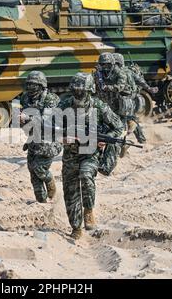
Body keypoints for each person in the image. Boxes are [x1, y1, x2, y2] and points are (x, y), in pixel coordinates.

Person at [59, 72, 124, 239]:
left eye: (82, 91)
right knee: (70, 192)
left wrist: (105, 141)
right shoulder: (63, 105)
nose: (78, 95)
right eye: (75, 91)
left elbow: (118, 127)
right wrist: (63, 138)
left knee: (86, 176)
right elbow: (48, 128)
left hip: (90, 154)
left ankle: (88, 210)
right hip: (70, 156)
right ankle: (76, 227)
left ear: (89, 91)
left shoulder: (99, 107)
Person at [20, 71, 62, 203]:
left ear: (41, 86)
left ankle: (50, 181)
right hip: (34, 139)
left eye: (33, 85)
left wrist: (28, 117)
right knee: (32, 170)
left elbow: (48, 120)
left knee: (39, 168)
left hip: (50, 140)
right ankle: (41, 201)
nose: (30, 88)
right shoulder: (26, 98)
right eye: (28, 85)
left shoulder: (51, 99)